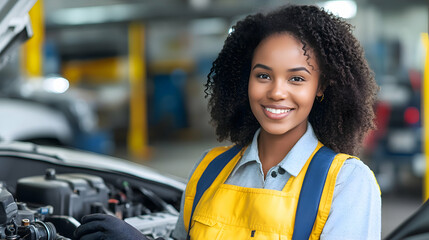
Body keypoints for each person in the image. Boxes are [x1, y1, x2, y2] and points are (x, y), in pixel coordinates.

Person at [74, 4, 381, 240]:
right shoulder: (209, 171)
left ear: (321, 88)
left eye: (296, 79)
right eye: (263, 75)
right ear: (243, 80)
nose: (276, 92)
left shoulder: (346, 182)